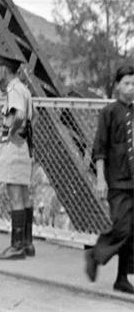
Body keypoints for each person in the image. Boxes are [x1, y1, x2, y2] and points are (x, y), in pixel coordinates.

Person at [86, 65, 134, 294]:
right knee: (122, 227)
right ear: (117, 85)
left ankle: (122, 278)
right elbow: (100, 148)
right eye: (126, 83)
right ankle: (95, 254)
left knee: (131, 231)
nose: (131, 88)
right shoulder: (109, 112)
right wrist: (101, 179)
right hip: (117, 181)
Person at [0, 54, 35, 260]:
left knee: (15, 196)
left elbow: (17, 115)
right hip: (24, 146)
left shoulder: (13, 90)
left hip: (14, 146)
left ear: (5, 69)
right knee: (24, 195)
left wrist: (9, 133)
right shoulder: (24, 89)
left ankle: (16, 246)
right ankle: (27, 243)